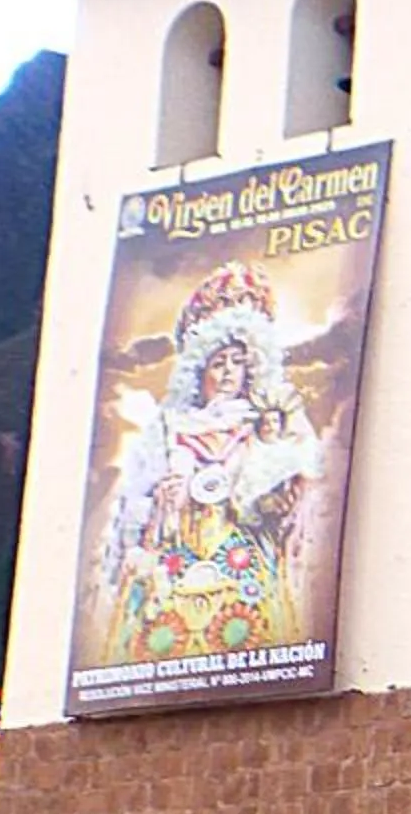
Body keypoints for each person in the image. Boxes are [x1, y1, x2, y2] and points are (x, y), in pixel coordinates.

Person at [100, 262, 324, 664]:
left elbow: (302, 484)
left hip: (245, 561)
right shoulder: (169, 426)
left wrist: (272, 480)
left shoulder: (270, 417)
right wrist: (161, 507)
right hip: (176, 560)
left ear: (252, 366)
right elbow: (135, 504)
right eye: (218, 363)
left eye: (237, 362)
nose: (227, 373)